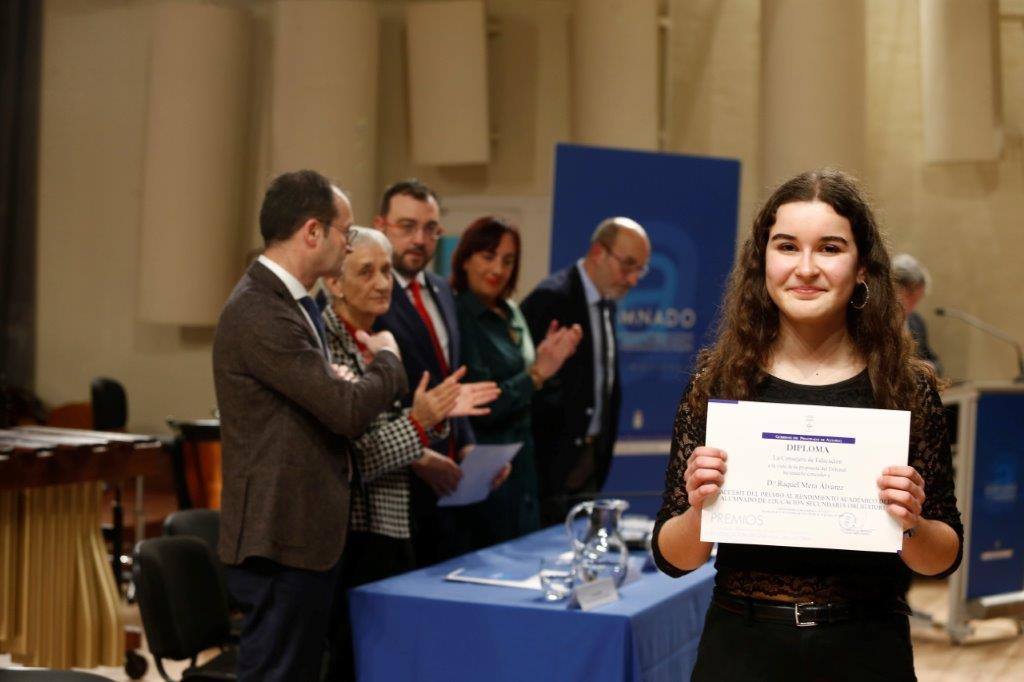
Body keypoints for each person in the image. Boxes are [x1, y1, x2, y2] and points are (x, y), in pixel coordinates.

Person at [651, 169, 963, 680]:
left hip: (866, 652)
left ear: (862, 268)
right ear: (762, 261)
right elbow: (674, 558)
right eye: (787, 246)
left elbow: (943, 557)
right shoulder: (720, 383)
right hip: (741, 651)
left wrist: (911, 520)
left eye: (830, 248)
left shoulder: (904, 388)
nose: (806, 268)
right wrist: (699, 509)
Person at [213, 170, 408, 681]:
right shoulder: (261, 308)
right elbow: (345, 411)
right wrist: (388, 359)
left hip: (301, 534)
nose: (350, 244)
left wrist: (340, 388)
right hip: (280, 535)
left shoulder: (292, 304)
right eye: (346, 232)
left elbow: (329, 402)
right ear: (313, 232)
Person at [320, 227, 499, 680]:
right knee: (348, 663)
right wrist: (421, 422)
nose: (383, 283)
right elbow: (355, 455)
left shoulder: (376, 339)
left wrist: (435, 415)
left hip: (390, 528)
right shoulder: (325, 344)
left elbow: (386, 428)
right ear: (334, 282)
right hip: (350, 535)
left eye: (386, 271)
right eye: (367, 272)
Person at [451, 217, 582, 545]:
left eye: (508, 260)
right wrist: (536, 374)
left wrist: (550, 366)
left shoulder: (511, 311)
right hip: (485, 468)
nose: (498, 269)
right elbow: (483, 404)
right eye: (488, 256)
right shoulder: (458, 314)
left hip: (524, 463)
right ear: (465, 259)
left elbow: (534, 388)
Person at [372, 179, 478, 565]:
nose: (419, 239)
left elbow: (450, 379)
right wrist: (417, 454)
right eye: (407, 227)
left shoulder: (442, 290)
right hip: (395, 485)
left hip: (450, 486)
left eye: (430, 228)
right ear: (381, 226)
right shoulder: (367, 292)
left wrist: (468, 446)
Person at [521, 217, 651, 524]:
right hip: (548, 467)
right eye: (627, 265)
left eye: (640, 270)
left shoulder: (606, 300)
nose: (633, 279)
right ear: (598, 252)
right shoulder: (551, 298)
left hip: (590, 462)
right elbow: (529, 389)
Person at [892, 253, 943, 375]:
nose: (912, 305)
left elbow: (936, 363)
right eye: (910, 297)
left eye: (916, 299)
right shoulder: (874, 321)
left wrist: (930, 367)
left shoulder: (916, 322)